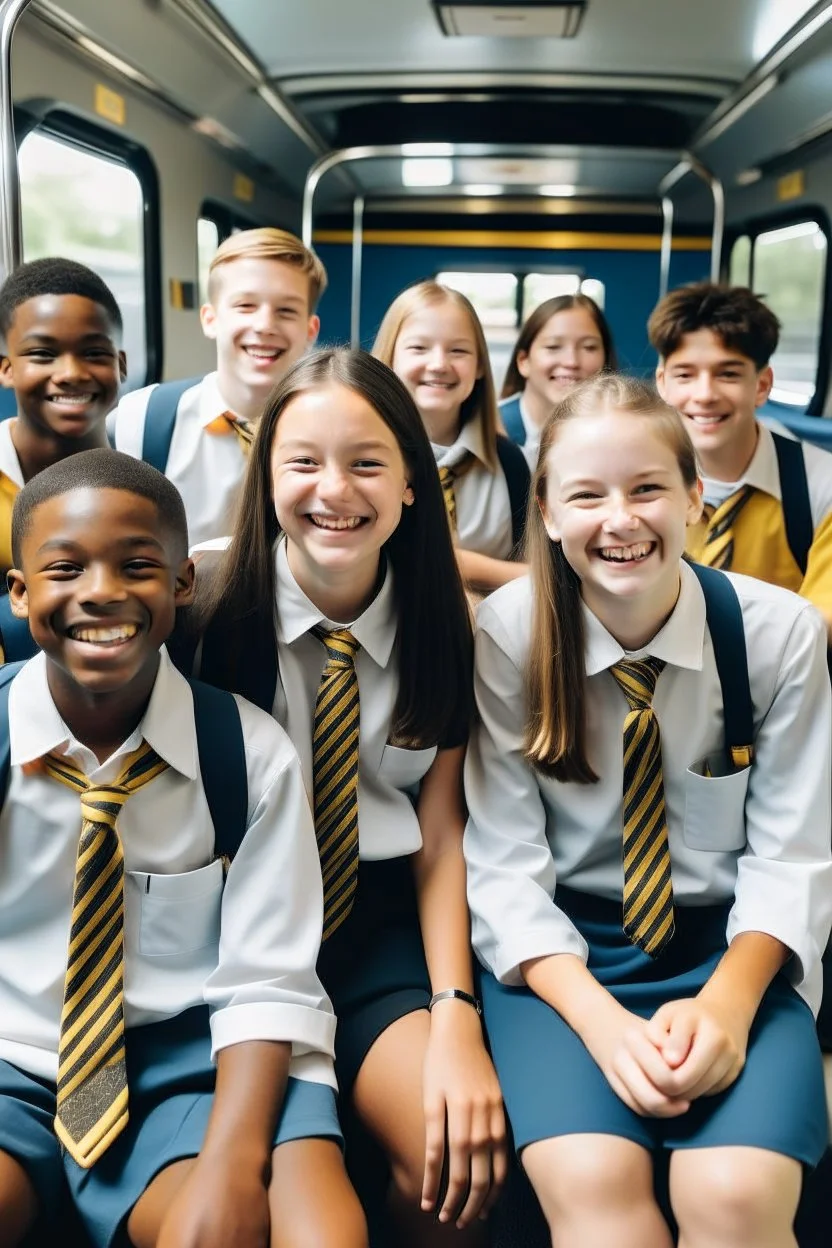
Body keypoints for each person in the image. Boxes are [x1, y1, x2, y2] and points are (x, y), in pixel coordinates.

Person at [464, 374, 832, 1248]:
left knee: (735, 1197)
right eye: (586, 495)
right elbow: (504, 863)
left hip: (734, 951)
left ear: (695, 498)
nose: (620, 518)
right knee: (596, 1195)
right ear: (546, 513)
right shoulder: (509, 636)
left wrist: (730, 1008)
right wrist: (601, 1022)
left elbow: (795, 853)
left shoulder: (775, 634)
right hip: (567, 963)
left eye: (648, 489)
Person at [0, 449, 366, 1248]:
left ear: (182, 583)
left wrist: (234, 1168)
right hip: (14, 1059)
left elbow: (266, 977)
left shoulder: (247, 751)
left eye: (137, 565)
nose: (101, 590)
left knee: (312, 1233)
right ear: (20, 591)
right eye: (65, 569)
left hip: (194, 1060)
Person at [189, 348, 507, 1244]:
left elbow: (442, 835)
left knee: (455, 1163)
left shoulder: (449, 625)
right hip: (220, 921)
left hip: (372, 922)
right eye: (303, 462)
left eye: (367, 462)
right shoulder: (202, 607)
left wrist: (455, 1014)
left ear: (411, 481)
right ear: (265, 476)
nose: (335, 489)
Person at [110, 227, 327, 547]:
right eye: (245, 306)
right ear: (210, 319)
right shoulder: (140, 420)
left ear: (310, 330)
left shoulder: (333, 430)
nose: (265, 325)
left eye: (286, 311)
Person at [650, 280, 832, 641]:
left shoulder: (820, 487)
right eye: (685, 375)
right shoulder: (629, 485)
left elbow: (821, 625)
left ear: (762, 385)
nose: (704, 395)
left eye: (728, 374)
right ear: (662, 383)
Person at [373, 281, 529, 597]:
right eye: (419, 348)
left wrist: (457, 564)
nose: (439, 364)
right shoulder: (362, 461)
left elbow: (541, 578)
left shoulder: (510, 463)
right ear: (388, 358)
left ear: (481, 366)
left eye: (458, 350)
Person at [0, 256, 126, 578]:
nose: (71, 373)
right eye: (43, 354)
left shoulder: (146, 458)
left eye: (94, 353)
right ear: (6, 368)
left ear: (121, 365)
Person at [499, 293, 616, 468]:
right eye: (553, 347)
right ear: (524, 361)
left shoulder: (620, 434)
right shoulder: (490, 430)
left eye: (589, 347)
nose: (572, 362)